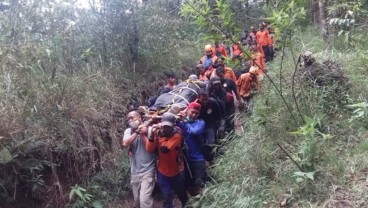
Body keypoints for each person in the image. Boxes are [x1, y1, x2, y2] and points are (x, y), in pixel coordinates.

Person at [146, 112, 188, 208]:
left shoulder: (177, 135)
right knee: (167, 195)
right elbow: (149, 149)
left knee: (181, 193)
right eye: (164, 126)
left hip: (177, 171)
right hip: (162, 171)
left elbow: (164, 149)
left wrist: (158, 135)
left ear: (173, 125)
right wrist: (151, 136)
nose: (166, 128)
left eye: (168, 126)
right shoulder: (158, 133)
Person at [122, 111, 156, 208]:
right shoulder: (128, 131)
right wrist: (137, 132)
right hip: (135, 171)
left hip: (148, 170)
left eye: (132, 117)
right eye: (128, 119)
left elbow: (152, 148)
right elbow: (125, 144)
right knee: (136, 200)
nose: (130, 120)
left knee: (144, 200)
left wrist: (143, 134)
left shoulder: (149, 130)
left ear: (140, 118)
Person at [178, 102, 207, 195]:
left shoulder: (201, 123)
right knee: (188, 185)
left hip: (198, 158)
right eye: (192, 112)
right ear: (187, 110)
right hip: (185, 160)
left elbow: (194, 132)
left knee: (200, 183)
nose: (194, 115)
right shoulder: (180, 121)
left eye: (196, 113)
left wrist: (184, 122)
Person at [215, 67, 244, 132]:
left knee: (230, 119)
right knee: (223, 120)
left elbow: (236, 92)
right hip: (220, 105)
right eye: (218, 76)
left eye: (221, 76)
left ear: (224, 74)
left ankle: (232, 134)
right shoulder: (215, 83)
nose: (220, 78)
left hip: (229, 104)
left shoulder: (230, 81)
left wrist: (240, 101)